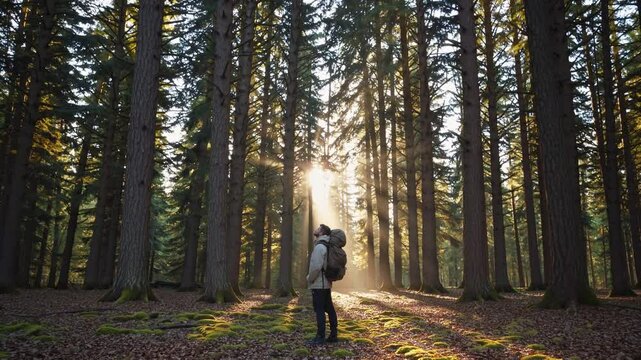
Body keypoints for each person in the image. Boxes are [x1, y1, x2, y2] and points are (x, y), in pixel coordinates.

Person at [306, 224, 338, 345]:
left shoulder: (320, 246)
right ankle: (333, 335)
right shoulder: (328, 245)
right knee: (329, 309)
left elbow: (315, 267)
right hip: (326, 283)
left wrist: (309, 278)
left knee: (319, 309)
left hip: (319, 284)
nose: (316, 229)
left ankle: (320, 337)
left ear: (322, 233)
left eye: (319, 228)